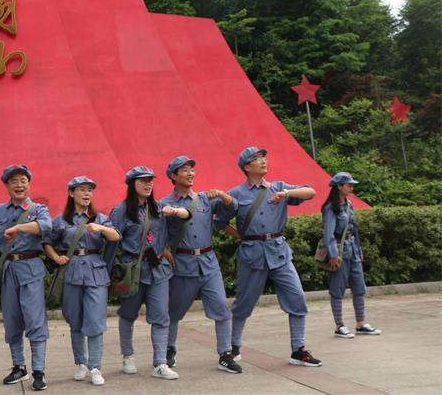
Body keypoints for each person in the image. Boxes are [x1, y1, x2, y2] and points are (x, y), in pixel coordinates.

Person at [216, 146, 322, 367]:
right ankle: (233, 347)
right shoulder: (236, 194)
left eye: (264, 157)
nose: (263, 161)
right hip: (252, 254)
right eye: (257, 159)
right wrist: (240, 236)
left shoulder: (279, 187)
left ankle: (298, 349)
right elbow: (219, 221)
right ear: (247, 167)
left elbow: (310, 191)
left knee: (297, 298)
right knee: (244, 302)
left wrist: (287, 194)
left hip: (279, 252)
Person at [104, 166, 191, 381]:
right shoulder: (121, 211)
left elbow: (179, 224)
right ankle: (128, 356)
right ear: (132, 185)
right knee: (128, 313)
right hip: (132, 270)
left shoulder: (160, 208)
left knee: (161, 316)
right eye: (142, 181)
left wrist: (168, 244)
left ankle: (160, 362)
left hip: (158, 270)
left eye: (150, 180)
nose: (148, 184)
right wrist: (107, 275)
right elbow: (112, 244)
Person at [159, 156, 242, 374]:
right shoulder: (165, 204)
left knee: (221, 309)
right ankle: (169, 350)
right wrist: (162, 248)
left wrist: (223, 195)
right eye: (184, 170)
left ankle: (225, 354)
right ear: (173, 176)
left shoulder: (205, 199)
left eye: (191, 170)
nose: (190, 173)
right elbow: (153, 232)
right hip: (182, 264)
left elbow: (233, 208)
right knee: (174, 312)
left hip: (208, 263)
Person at [0, 164, 52, 391]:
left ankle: (39, 371)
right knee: (12, 320)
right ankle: (19, 366)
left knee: (35, 319)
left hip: (31, 268)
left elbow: (46, 226)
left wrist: (19, 228)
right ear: (6, 186)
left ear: (29, 184)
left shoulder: (39, 209)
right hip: (8, 270)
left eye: (23, 181)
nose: (19, 185)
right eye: (13, 182)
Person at [43, 176, 119, 386]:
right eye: (82, 190)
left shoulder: (99, 217)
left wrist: (101, 229)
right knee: (74, 319)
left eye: (90, 191)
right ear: (71, 193)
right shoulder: (61, 220)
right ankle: (81, 363)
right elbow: (47, 242)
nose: (87, 194)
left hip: (96, 271)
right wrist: (56, 257)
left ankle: (95, 367)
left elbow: (115, 236)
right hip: (72, 270)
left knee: (95, 321)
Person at [322, 172, 381, 338]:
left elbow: (354, 229)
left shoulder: (348, 204)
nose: (352, 187)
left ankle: (361, 323)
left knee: (359, 287)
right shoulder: (330, 208)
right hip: (339, 253)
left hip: (353, 250)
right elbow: (329, 234)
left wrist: (359, 249)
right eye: (349, 185)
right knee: (337, 289)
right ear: (339, 186)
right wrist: (333, 254)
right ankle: (339, 326)